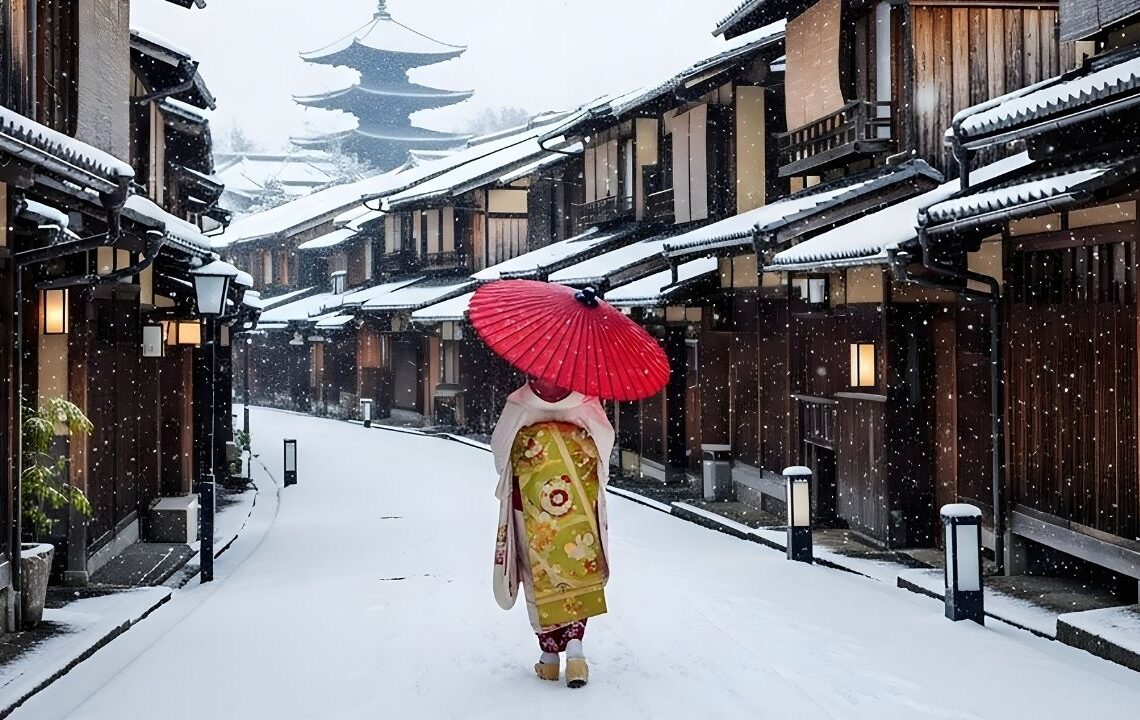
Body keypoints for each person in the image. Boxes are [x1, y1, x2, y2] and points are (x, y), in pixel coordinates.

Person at [490, 375, 615, 689]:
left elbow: (500, 448)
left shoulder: (519, 402)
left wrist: (535, 449)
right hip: (575, 495)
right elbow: (604, 442)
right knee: (576, 565)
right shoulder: (586, 398)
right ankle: (575, 652)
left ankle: (548, 658)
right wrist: (573, 448)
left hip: (532, 499)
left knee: (539, 570)